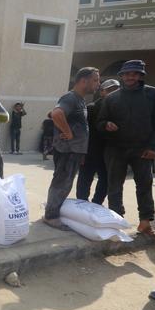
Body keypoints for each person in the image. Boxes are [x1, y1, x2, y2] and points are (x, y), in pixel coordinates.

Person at [97, 60, 155, 239]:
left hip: (143, 150)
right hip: (116, 149)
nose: (130, 77)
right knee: (114, 187)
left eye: (134, 74)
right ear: (121, 76)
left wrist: (153, 147)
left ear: (141, 75)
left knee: (144, 186)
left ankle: (145, 223)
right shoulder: (111, 98)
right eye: (126, 74)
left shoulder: (153, 94)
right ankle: (116, 222)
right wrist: (106, 124)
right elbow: (100, 122)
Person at [43, 67, 100, 230]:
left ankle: (52, 211)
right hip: (67, 150)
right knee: (62, 182)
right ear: (83, 81)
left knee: (64, 182)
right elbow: (57, 114)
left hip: (74, 151)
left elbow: (53, 113)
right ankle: (51, 216)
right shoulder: (71, 98)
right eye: (95, 80)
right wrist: (67, 132)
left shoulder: (79, 99)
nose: (98, 84)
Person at [75, 79, 120, 205]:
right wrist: (81, 151)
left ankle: (96, 204)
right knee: (85, 178)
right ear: (102, 92)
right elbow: (83, 132)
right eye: (109, 90)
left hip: (109, 152)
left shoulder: (119, 109)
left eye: (116, 90)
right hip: (90, 150)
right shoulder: (92, 108)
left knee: (105, 179)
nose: (113, 93)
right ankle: (82, 203)